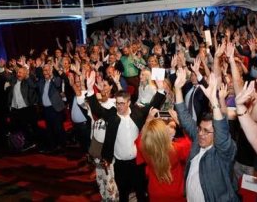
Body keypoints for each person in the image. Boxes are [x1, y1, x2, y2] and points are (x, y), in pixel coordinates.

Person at [85, 71, 166, 202]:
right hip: (120, 164)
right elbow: (97, 109)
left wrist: (161, 88)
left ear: (128, 103)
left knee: (141, 192)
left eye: (122, 103)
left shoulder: (137, 113)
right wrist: (89, 89)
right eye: (117, 103)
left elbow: (153, 105)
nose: (119, 106)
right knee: (123, 193)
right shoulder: (112, 115)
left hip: (137, 163)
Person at [174, 68, 239, 201]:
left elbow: (222, 132)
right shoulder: (198, 141)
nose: (201, 134)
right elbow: (185, 119)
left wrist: (214, 101)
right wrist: (177, 89)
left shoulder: (223, 152)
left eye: (207, 131)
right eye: (200, 129)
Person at [138, 115, 191, 202]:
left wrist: (149, 120)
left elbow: (141, 138)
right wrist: (179, 122)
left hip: (155, 193)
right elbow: (191, 142)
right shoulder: (176, 149)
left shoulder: (144, 149)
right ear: (163, 135)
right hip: (176, 193)